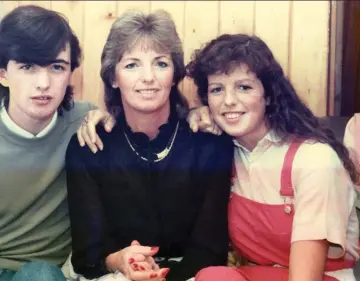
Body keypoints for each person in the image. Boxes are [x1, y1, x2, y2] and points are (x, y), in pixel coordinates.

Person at [78, 34, 360, 281]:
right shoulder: (227, 150)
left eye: (244, 87)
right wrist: (101, 116)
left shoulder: (314, 160)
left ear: (270, 95)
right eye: (217, 90)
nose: (228, 101)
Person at [64, 10, 234, 281]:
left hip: (191, 273)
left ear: (175, 74)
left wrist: (167, 277)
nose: (148, 77)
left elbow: (210, 249)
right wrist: (118, 261)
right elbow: (88, 254)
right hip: (115, 274)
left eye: (160, 64)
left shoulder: (208, 143)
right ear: (113, 77)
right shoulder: (90, 146)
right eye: (132, 65)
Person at [0, 5, 95, 281]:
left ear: (71, 73)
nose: (43, 83)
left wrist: (197, 113)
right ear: (2, 73)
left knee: (42, 276)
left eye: (57, 67)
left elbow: (142, 121)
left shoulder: (86, 125)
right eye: (27, 67)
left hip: (38, 272)